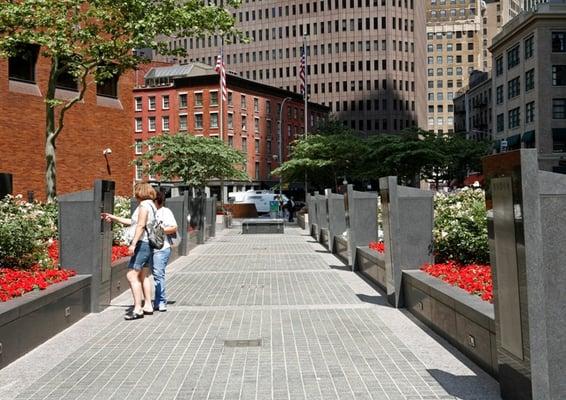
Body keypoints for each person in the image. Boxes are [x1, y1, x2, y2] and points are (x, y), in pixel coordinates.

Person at [101, 183, 156, 320]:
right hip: (147, 244)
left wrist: (133, 244)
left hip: (142, 244)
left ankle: (138, 309)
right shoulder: (151, 205)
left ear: (140, 192)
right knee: (143, 275)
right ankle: (148, 305)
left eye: (136, 191)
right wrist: (114, 217)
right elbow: (133, 222)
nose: (135, 194)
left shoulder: (144, 206)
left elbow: (141, 226)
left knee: (132, 276)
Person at [151, 191, 178, 312]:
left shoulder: (165, 212)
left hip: (162, 247)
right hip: (150, 247)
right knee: (156, 275)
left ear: (157, 200)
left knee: (158, 274)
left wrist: (160, 230)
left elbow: (174, 227)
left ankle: (161, 301)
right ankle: (157, 301)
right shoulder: (148, 211)